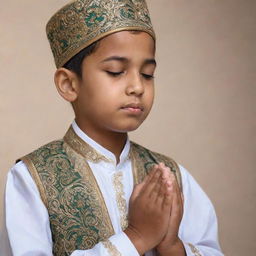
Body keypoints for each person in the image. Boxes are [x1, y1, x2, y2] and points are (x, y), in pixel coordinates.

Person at [2, 0, 224, 255]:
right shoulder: (33, 177)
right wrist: (136, 238)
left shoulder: (171, 176)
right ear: (69, 84)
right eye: (116, 71)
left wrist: (172, 246)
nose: (137, 87)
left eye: (147, 74)